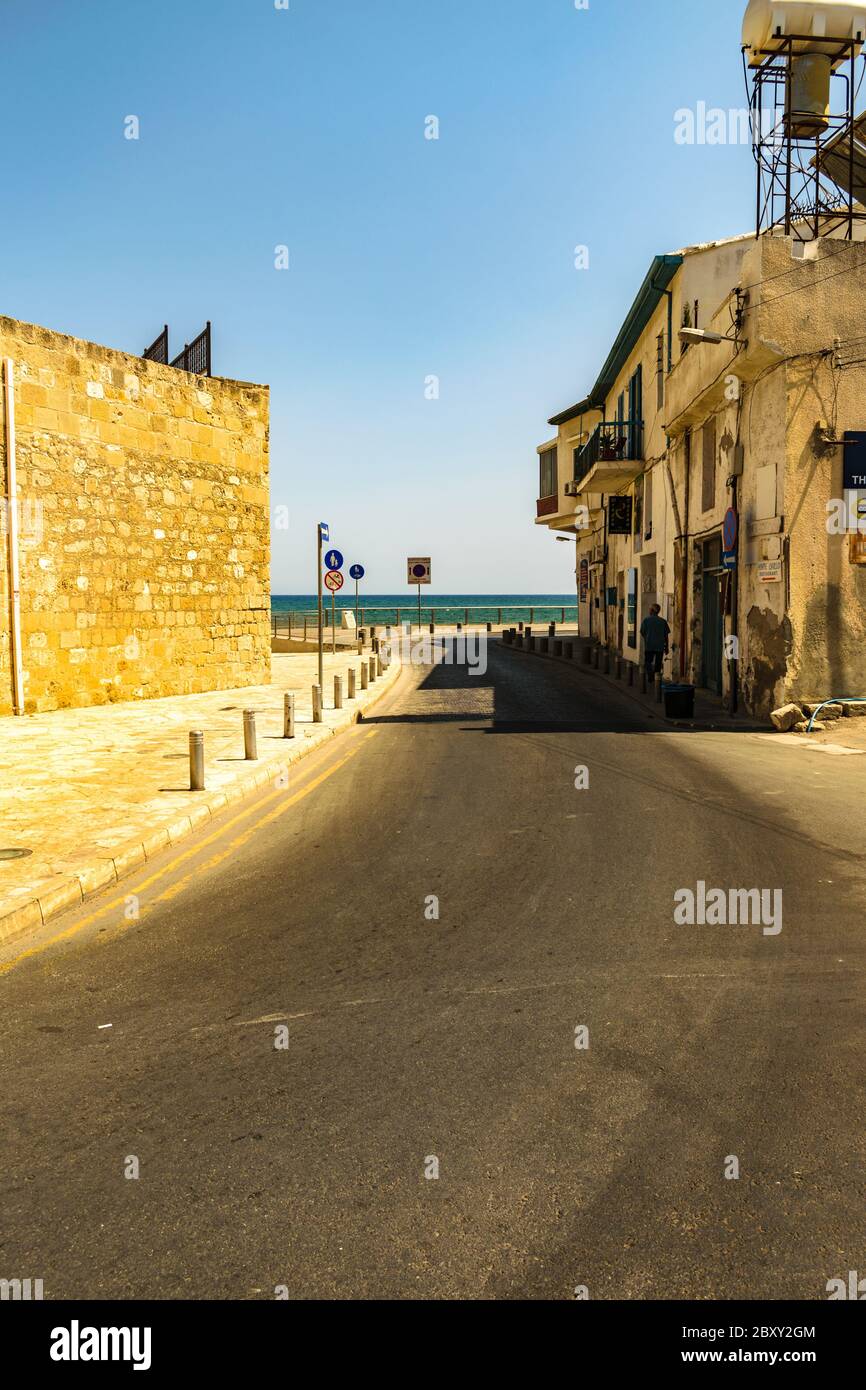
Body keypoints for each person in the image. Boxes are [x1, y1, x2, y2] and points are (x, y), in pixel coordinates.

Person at [640, 603, 670, 680]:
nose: (649, 610)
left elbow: (642, 632)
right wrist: (666, 647)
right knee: (658, 664)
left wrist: (647, 638)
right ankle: (657, 678)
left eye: (650, 609)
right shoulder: (663, 621)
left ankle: (650, 676)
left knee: (648, 662)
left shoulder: (646, 620)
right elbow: (666, 635)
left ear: (652, 611)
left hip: (649, 645)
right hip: (660, 646)